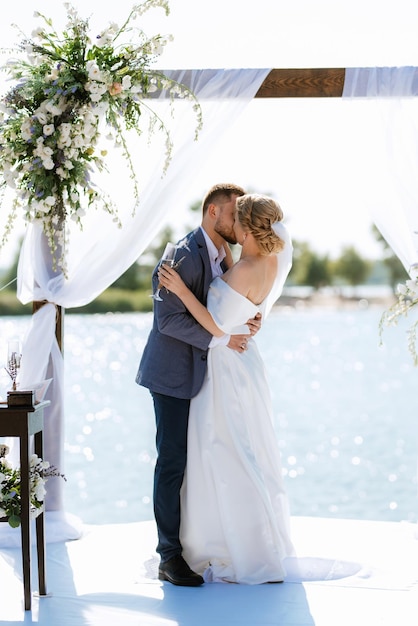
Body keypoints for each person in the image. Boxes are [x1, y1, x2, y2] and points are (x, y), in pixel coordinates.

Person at [157, 192, 295, 584]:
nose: (231, 223)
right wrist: (249, 322)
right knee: (243, 449)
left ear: (245, 226)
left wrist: (183, 292)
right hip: (244, 362)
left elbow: (216, 325)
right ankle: (245, 542)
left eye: (237, 218)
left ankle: (234, 545)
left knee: (225, 451)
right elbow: (246, 309)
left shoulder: (245, 267)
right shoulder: (265, 262)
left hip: (225, 365)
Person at [135, 183, 262, 587]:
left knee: (204, 462)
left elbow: (223, 306)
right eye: (232, 213)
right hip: (172, 375)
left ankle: (203, 544)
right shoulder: (182, 255)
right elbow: (168, 321)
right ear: (212, 212)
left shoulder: (224, 253)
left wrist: (248, 319)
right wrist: (222, 338)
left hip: (208, 377)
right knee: (172, 462)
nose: (237, 221)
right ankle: (169, 557)